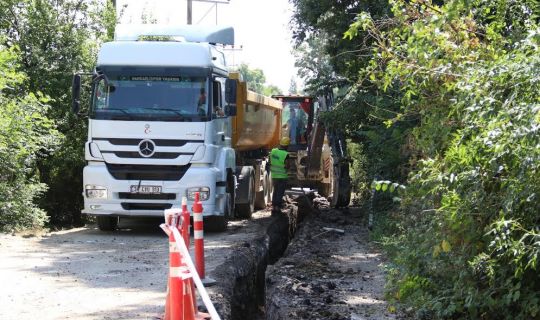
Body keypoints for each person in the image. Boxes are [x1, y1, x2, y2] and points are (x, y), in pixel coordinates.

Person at [270, 137, 290, 213]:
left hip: (274, 175)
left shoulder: (273, 151)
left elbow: (270, 160)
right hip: (282, 176)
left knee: (275, 191)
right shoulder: (286, 154)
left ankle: (274, 206)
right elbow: (287, 166)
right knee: (280, 192)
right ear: (287, 146)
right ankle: (278, 207)